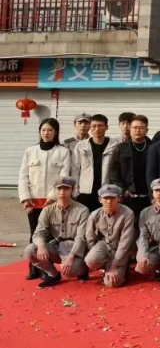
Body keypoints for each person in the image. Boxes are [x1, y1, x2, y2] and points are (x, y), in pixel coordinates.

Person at [19, 118, 72, 280]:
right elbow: (23, 176)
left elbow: (63, 176)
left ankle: (46, 268)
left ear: (56, 132)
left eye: (50, 130)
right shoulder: (30, 151)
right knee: (34, 233)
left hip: (52, 201)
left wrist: (53, 197)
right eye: (43, 130)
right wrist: (25, 198)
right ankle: (34, 267)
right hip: (34, 201)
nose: (46, 133)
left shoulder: (63, 152)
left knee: (48, 235)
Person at [26, 176, 89, 287]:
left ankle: (83, 270)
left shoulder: (82, 210)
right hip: (56, 246)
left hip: (74, 247)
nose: (62, 192)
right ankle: (53, 275)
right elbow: (38, 233)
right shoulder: (47, 210)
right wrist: (41, 245)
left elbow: (81, 237)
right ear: (54, 190)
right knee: (30, 250)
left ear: (72, 190)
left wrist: (70, 258)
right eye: (59, 189)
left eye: (66, 189)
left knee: (70, 272)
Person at [84, 184, 136, 287]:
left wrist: (114, 266)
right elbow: (90, 238)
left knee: (112, 283)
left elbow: (125, 242)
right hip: (105, 246)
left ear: (119, 198)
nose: (109, 201)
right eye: (105, 198)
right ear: (100, 200)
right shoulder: (94, 215)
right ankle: (108, 267)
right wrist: (95, 252)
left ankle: (122, 266)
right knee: (90, 260)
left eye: (112, 198)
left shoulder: (128, 213)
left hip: (121, 249)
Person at [105, 114, 152, 219]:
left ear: (146, 130)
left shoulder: (153, 147)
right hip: (128, 197)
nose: (137, 130)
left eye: (141, 127)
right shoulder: (120, 148)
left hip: (148, 197)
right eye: (135, 127)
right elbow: (113, 170)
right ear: (130, 129)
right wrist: (122, 190)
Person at [71, 114, 115, 212]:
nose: (97, 129)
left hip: (106, 193)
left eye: (100, 126)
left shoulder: (114, 145)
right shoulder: (81, 146)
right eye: (94, 126)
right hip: (85, 193)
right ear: (90, 128)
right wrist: (75, 192)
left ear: (106, 127)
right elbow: (75, 170)